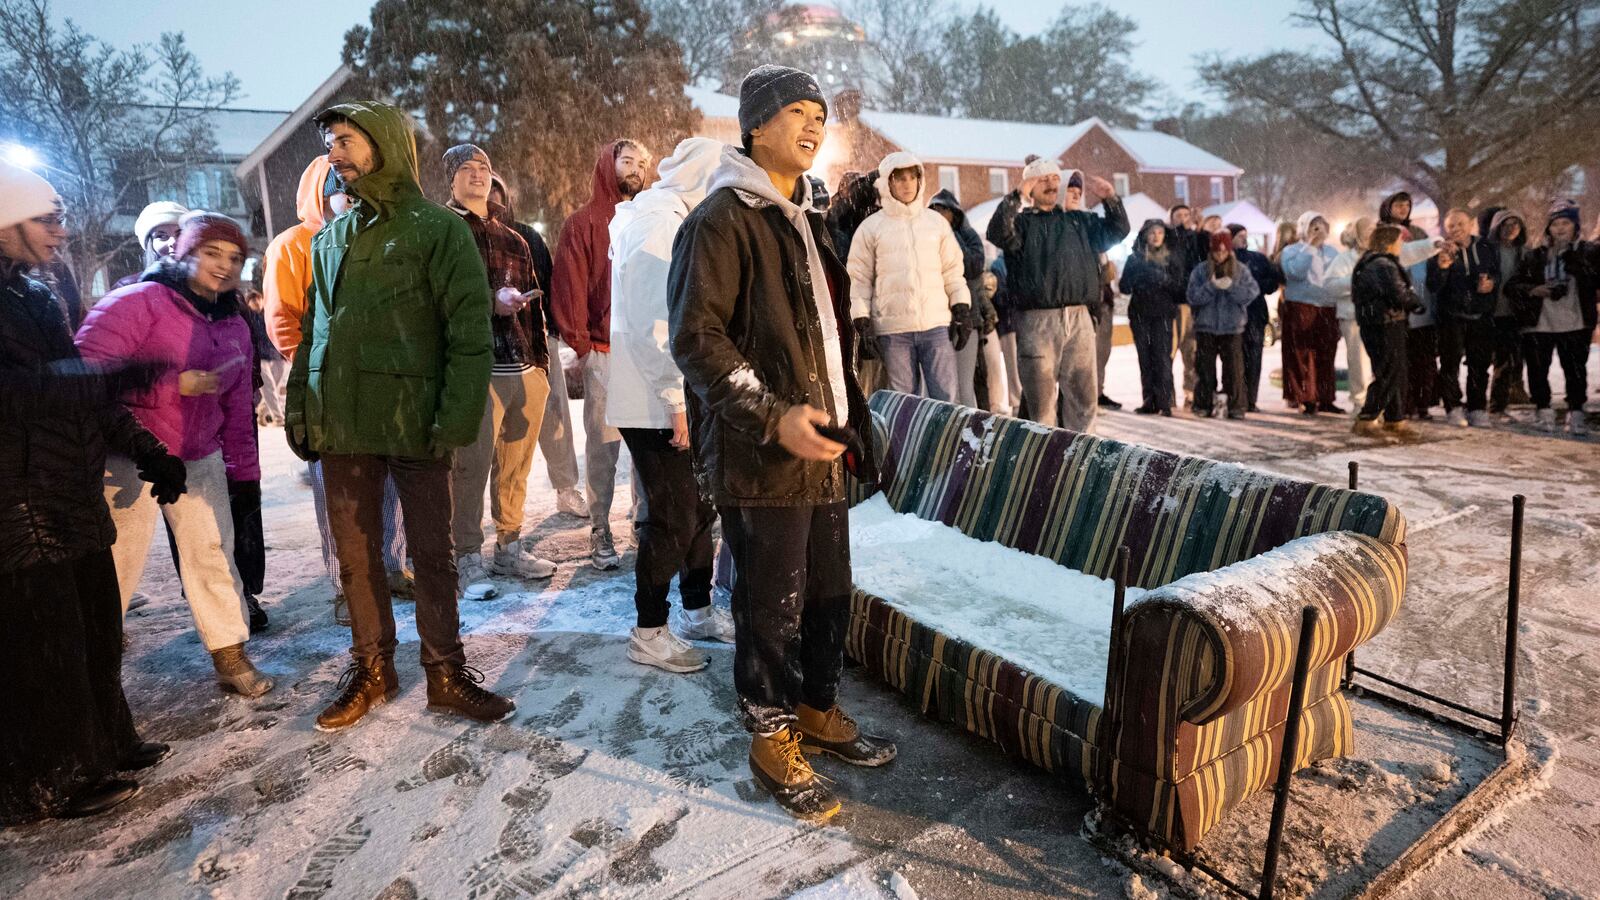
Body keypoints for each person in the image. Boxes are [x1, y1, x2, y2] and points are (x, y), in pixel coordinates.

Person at [668, 65, 894, 821]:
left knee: (830, 591)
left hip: (821, 443)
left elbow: (830, 337)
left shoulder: (807, 218)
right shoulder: (722, 219)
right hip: (762, 452)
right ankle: (769, 733)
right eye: (795, 111)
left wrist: (852, 418)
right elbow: (697, 340)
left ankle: (817, 710)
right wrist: (772, 416)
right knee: (771, 604)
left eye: (819, 115)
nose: (812, 125)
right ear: (755, 125)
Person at [285, 100, 511, 731]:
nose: (336, 155)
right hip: (344, 424)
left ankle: (445, 671)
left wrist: (454, 420)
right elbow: (315, 334)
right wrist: (302, 410)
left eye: (347, 141)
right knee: (357, 558)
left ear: (383, 143)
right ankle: (371, 669)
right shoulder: (329, 240)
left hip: (417, 421)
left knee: (433, 555)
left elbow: (468, 336)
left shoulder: (437, 230)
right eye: (332, 144)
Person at [1, 162, 182, 823]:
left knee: (99, 631)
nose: (61, 231)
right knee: (46, 648)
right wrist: (99, 380)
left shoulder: (38, 297)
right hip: (17, 503)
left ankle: (106, 742)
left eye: (61, 218)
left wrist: (148, 448)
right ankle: (53, 776)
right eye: (46, 219)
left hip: (68, 494)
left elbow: (85, 389)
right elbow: (21, 393)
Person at [76, 212, 274, 698]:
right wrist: (170, 385)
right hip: (129, 453)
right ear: (183, 252)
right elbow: (84, 378)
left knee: (212, 553)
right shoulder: (137, 302)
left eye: (235, 258)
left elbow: (236, 407)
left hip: (198, 454)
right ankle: (93, 671)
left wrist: (244, 477)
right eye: (212, 253)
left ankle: (229, 652)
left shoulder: (232, 322)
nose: (224, 266)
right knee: (117, 561)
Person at [262, 156, 410, 626]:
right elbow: (282, 316)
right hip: (327, 388)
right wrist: (314, 367)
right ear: (322, 195)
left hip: (379, 384)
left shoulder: (377, 241)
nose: (353, 204)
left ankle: (386, 566)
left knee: (385, 485)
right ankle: (350, 586)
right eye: (345, 193)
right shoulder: (293, 245)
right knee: (342, 492)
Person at [607, 136, 734, 673]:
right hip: (655, 401)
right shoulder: (659, 223)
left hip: (678, 394)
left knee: (699, 506)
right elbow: (652, 324)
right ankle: (649, 628)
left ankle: (697, 609)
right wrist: (673, 402)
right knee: (674, 514)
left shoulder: (670, 216)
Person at [439, 145, 557, 596]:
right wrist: (491, 302)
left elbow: (533, 308)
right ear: (450, 180)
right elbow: (441, 300)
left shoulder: (515, 238)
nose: (477, 175)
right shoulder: (444, 231)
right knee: (468, 467)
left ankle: (509, 545)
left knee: (515, 467)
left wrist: (541, 367)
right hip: (474, 367)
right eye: (466, 169)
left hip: (521, 365)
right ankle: (466, 555)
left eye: (484, 168)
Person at [551, 138, 652, 570]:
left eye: (642, 163)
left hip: (647, 353)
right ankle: (600, 526)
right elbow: (569, 285)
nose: (636, 169)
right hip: (606, 351)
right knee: (604, 447)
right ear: (608, 166)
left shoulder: (652, 219)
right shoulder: (584, 222)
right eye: (627, 160)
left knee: (650, 444)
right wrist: (582, 345)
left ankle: (646, 520)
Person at [986, 158, 1128, 431]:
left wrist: (1111, 199)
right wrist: (1016, 196)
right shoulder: (1022, 224)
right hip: (1037, 321)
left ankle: (1082, 460)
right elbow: (997, 232)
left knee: (1083, 399)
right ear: (1030, 186)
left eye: (1054, 178)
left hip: (1079, 318)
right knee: (1041, 405)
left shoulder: (1081, 221)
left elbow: (1117, 231)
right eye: (1043, 179)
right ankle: (1042, 462)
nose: (1051, 183)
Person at [490, 175, 585, 519]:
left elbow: (549, 282)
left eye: (496, 190)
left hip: (534, 338)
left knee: (554, 415)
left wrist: (555, 329)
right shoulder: (466, 236)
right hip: (489, 346)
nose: (490, 197)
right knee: (491, 430)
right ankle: (486, 511)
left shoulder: (528, 236)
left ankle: (566, 487)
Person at [847, 151, 971, 401]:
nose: (906, 184)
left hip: (934, 325)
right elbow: (859, 279)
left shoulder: (936, 224)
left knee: (945, 397)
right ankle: (905, 441)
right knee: (903, 401)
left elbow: (952, 270)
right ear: (887, 182)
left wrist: (961, 307)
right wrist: (861, 321)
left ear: (920, 180)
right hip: (893, 330)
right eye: (899, 178)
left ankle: (943, 440)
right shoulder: (871, 227)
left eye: (911, 178)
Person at [1506, 199, 1596, 435]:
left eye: (1566, 222)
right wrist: (1534, 290)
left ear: (1575, 226)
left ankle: (1576, 413)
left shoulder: (1588, 252)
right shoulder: (1536, 256)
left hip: (1575, 321)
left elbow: (1595, 279)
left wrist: (1576, 263)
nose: (1560, 228)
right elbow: (1512, 285)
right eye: (1555, 223)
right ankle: (1543, 410)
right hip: (1540, 323)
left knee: (1575, 371)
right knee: (1538, 370)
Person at [1351, 224, 1423, 440]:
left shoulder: (1371, 262)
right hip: (1385, 324)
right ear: (1389, 243)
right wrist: (1416, 302)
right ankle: (1367, 417)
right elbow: (1397, 294)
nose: (1401, 245)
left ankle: (1394, 418)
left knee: (1394, 371)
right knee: (1389, 371)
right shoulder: (1382, 265)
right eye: (1399, 241)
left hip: (1380, 323)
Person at [1430, 209, 1500, 427]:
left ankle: (1477, 407)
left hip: (1481, 315)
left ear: (1471, 224)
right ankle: (1453, 407)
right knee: (1450, 364)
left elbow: (1497, 273)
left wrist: (1492, 283)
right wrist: (1441, 269)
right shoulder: (1441, 251)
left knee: (1479, 364)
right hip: (1452, 316)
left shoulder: (1487, 247)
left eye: (1460, 224)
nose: (1456, 229)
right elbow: (1433, 285)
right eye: (1451, 226)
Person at [927, 188, 990, 410]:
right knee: (938, 387)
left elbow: (973, 266)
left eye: (943, 209)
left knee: (965, 385)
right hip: (936, 319)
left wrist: (950, 235)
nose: (938, 214)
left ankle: (969, 435)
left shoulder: (968, 235)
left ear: (955, 213)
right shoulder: (925, 237)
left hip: (967, 317)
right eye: (934, 209)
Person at [1187, 229, 1259, 418]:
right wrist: (1211, 287)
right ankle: (1203, 404)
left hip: (1232, 327)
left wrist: (1232, 288)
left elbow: (1251, 293)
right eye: (1216, 252)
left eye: (1224, 251)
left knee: (1234, 370)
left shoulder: (1241, 270)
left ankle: (1236, 407)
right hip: (1206, 327)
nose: (1220, 255)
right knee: (1205, 370)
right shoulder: (1201, 270)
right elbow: (1192, 297)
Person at [1380, 192, 1439, 419]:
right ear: (1389, 206)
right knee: (1398, 361)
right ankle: (1400, 404)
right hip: (1395, 308)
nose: (1403, 208)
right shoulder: (1382, 232)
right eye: (1398, 204)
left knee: (1423, 359)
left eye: (1407, 204)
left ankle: (1422, 402)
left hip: (1422, 302)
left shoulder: (1418, 233)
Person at [1118, 219, 1185, 415]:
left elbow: (1180, 289)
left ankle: (1164, 402)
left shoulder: (1171, 259)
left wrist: (1163, 279)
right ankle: (1149, 400)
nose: (1156, 236)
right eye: (1152, 232)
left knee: (1162, 358)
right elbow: (1124, 287)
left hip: (1163, 314)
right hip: (1140, 314)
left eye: (1160, 232)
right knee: (1145, 359)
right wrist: (1138, 276)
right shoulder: (1135, 259)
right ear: (1145, 235)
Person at [1279, 212, 1343, 414]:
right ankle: (1304, 397)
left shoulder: (1333, 252)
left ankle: (1325, 398)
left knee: (1326, 353)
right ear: (1303, 228)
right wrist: (1310, 248)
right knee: (1302, 354)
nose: (1318, 230)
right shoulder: (1292, 251)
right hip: (1301, 306)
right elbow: (1295, 273)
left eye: (1321, 226)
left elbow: (1338, 276)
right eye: (1313, 226)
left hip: (1327, 307)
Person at [1228, 224, 1281, 411]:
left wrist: (1257, 285)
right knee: (1235, 360)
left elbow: (1272, 281)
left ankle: (1251, 399)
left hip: (1256, 314)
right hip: (1233, 316)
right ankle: (1236, 398)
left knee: (1254, 358)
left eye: (1245, 235)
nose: (1244, 238)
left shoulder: (1257, 258)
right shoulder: (1225, 258)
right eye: (1239, 235)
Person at [1485, 210, 1530, 418]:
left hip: (1512, 314)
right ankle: (1477, 404)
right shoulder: (1486, 251)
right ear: (1497, 227)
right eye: (1506, 224)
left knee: (1506, 362)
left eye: (1515, 224)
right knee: (1482, 361)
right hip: (1488, 313)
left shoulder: (1524, 253)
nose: (1511, 228)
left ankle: (1497, 406)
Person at [1167, 204, 1205, 408]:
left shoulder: (1196, 238)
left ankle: (1190, 392)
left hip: (1193, 303)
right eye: (1178, 215)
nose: (1182, 218)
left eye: (1185, 215)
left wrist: (1200, 229)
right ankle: (1169, 394)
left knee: (1192, 352)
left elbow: (1203, 257)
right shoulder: (1170, 238)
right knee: (1170, 351)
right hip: (1175, 303)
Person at [112, 201, 189, 290]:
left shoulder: (205, 286)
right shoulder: (129, 287)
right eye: (161, 236)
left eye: (180, 234)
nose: (173, 242)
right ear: (150, 244)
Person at [1094, 255, 1122, 409]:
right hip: (1094, 307)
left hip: (1105, 305)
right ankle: (1093, 395)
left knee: (1102, 353)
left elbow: (1109, 277)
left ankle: (1098, 391)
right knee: (1094, 354)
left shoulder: (1103, 254)